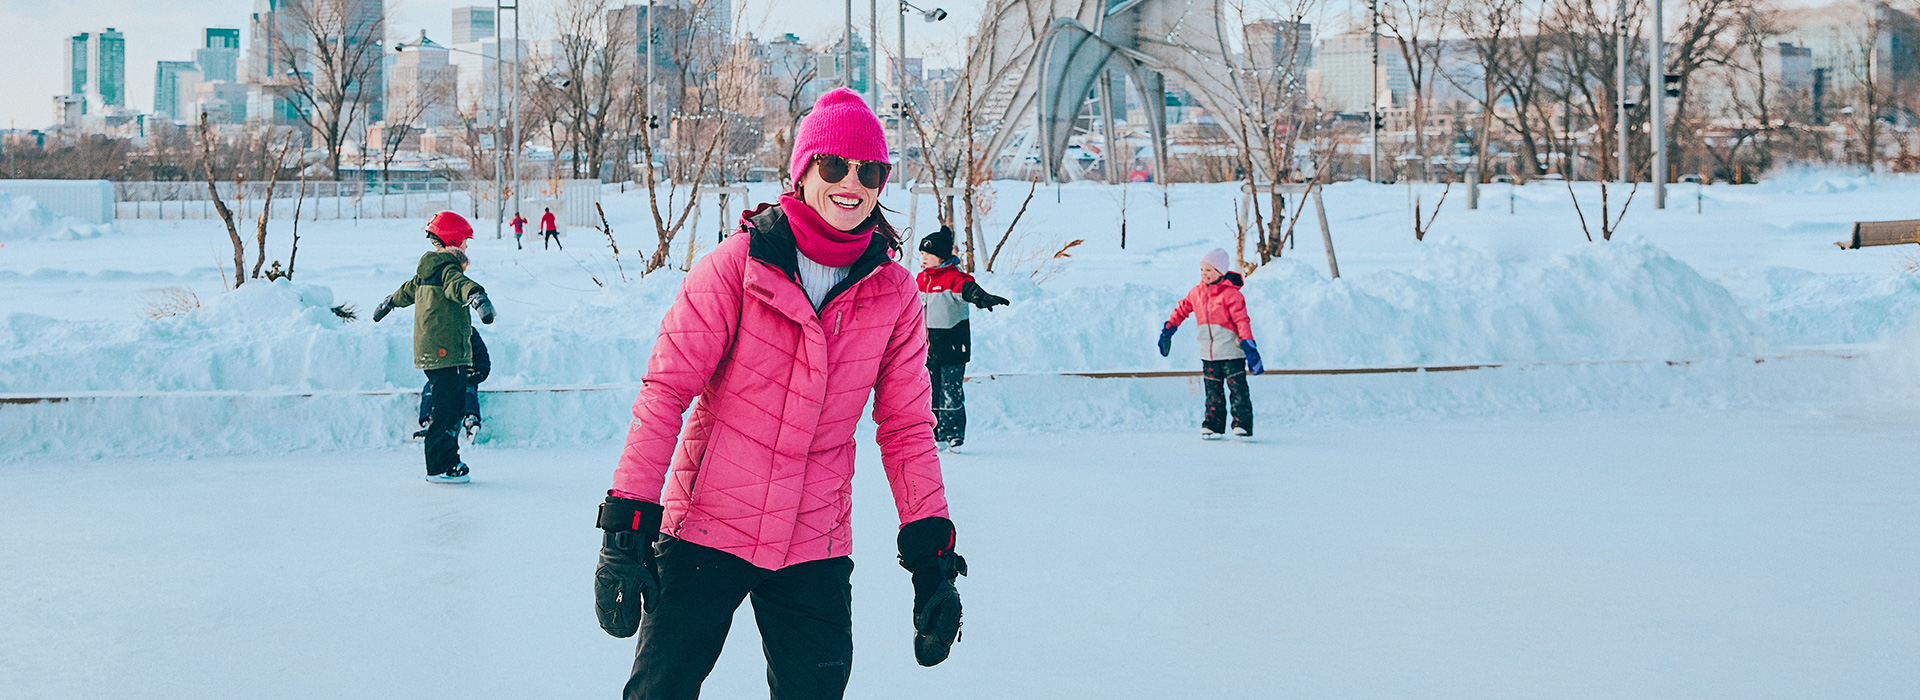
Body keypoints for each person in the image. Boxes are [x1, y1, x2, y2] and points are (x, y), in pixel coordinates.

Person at [593, 87, 966, 700]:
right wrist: (626, 527)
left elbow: (905, 428)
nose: (852, 183)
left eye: (869, 170)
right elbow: (666, 391)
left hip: (814, 541)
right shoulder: (736, 267)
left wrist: (932, 554)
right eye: (834, 166)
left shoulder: (895, 292)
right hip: (707, 530)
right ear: (803, 171)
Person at [372, 211, 497, 483]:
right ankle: (441, 466)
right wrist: (478, 296)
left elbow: (408, 291)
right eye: (464, 241)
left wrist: (390, 302)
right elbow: (459, 286)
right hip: (447, 352)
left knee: (447, 408)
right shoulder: (448, 270)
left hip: (432, 351)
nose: (466, 246)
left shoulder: (427, 271)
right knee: (449, 412)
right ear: (453, 239)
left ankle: (443, 463)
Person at [915, 226, 1009, 452]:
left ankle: (954, 434)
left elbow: (968, 290)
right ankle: (936, 434)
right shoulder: (921, 279)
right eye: (921, 255)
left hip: (953, 346)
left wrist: (983, 298)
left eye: (928, 254)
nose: (924, 258)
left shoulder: (953, 278)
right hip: (929, 348)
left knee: (951, 390)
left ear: (941, 257)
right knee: (931, 392)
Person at [1157, 248, 1263, 439]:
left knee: (1237, 390)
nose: (1204, 274)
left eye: (1209, 270)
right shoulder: (1196, 293)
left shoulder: (1232, 295)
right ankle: (1213, 425)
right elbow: (1181, 310)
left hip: (1232, 352)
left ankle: (1242, 424)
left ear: (1220, 272)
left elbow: (1242, 321)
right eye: (1202, 270)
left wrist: (1249, 345)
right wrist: (1168, 330)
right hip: (1209, 354)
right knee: (1213, 392)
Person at [414, 329, 489, 440]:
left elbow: (481, 354)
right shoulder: (440, 332)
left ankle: (471, 419)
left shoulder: (469, 332)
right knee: (430, 389)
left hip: (466, 374)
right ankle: (429, 421)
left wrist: (481, 371)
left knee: (468, 389)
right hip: (445, 375)